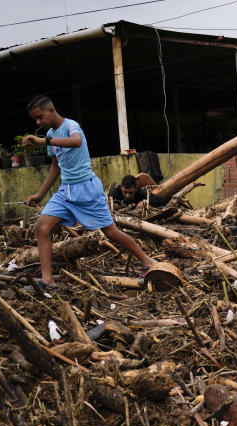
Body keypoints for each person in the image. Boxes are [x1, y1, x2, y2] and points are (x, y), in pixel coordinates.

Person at [22, 95, 155, 289]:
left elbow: (76, 141)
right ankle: (47, 279)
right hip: (65, 192)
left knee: (111, 232)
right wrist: (40, 194)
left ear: (51, 110)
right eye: (35, 119)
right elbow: (55, 168)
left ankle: (148, 261)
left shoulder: (70, 126)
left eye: (40, 117)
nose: (38, 122)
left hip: (87, 189)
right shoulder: (51, 134)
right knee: (42, 228)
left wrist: (43, 142)